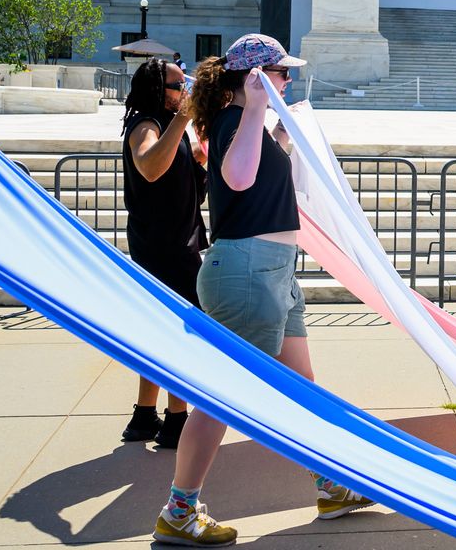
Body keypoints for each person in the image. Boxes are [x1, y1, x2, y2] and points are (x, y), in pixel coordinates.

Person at [153, 34, 372, 546]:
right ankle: (179, 511)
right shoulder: (237, 118)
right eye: (280, 73)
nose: (288, 79)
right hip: (248, 271)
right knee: (223, 397)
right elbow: (237, 175)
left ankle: (330, 486)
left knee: (303, 387)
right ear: (253, 78)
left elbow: (253, 177)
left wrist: (279, 139)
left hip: (271, 272)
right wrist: (256, 112)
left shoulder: (246, 122)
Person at [121, 57, 209, 449]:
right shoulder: (146, 125)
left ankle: (144, 414)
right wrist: (182, 121)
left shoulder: (169, 128)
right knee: (180, 334)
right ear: (158, 90)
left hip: (177, 239)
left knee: (158, 331)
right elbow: (150, 167)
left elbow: (180, 178)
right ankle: (175, 419)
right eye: (177, 86)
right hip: (162, 247)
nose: (183, 92)